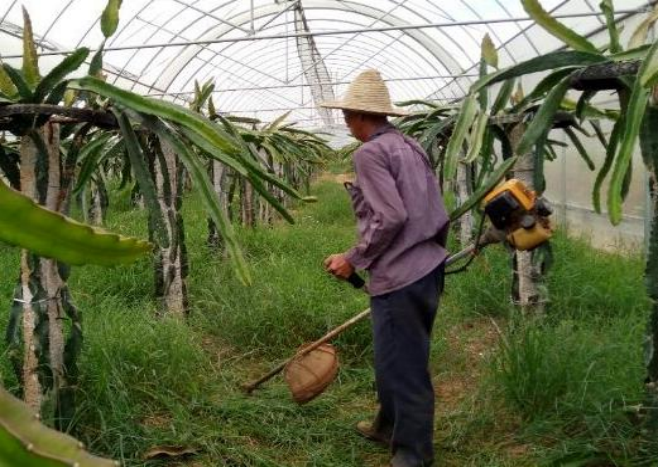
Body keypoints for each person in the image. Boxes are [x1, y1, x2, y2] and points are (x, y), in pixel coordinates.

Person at [321, 69, 450, 467]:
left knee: (404, 368)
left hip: (401, 276)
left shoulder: (370, 153)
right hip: (426, 268)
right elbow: (431, 209)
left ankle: (413, 457)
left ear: (361, 116)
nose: (346, 123)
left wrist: (352, 258)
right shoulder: (410, 145)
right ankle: (386, 426)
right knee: (393, 358)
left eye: (347, 117)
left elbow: (390, 216)